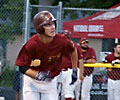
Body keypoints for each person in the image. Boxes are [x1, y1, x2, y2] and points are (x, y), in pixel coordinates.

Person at [15, 11, 78, 100]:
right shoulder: (32, 44)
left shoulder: (61, 41)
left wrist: (74, 70)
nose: (52, 27)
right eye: (48, 25)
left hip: (50, 82)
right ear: (40, 28)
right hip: (32, 82)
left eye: (53, 24)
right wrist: (37, 75)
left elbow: (73, 50)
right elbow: (22, 67)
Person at [58, 30, 84, 100]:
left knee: (68, 93)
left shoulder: (75, 46)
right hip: (62, 72)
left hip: (71, 71)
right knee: (64, 93)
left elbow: (81, 61)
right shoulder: (59, 46)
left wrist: (81, 74)